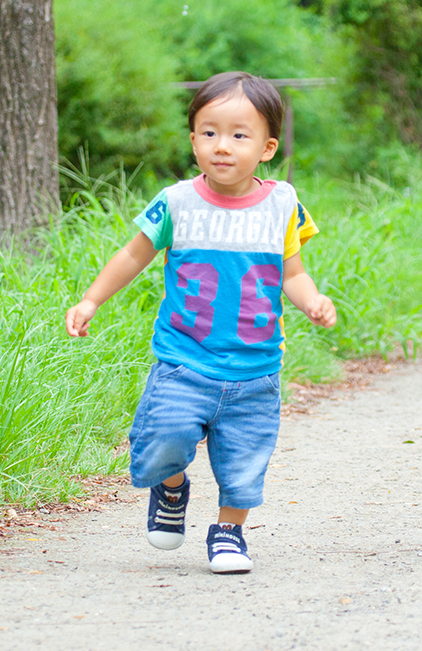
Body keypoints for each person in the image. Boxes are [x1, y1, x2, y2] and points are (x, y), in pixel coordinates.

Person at [65, 71, 337, 574]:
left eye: (239, 135)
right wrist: (91, 300)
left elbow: (292, 274)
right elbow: (133, 255)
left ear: (267, 147)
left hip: (255, 368)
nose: (222, 146)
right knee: (161, 440)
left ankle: (230, 532)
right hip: (183, 361)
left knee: (244, 462)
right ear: (193, 140)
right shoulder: (176, 202)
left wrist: (312, 300)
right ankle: (171, 490)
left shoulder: (282, 205)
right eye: (209, 133)